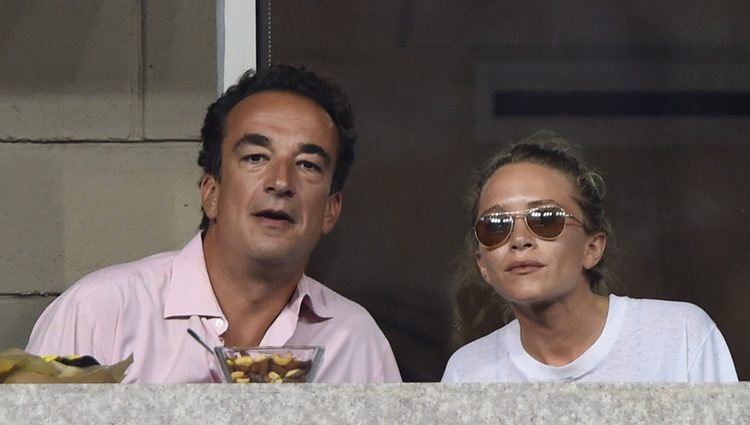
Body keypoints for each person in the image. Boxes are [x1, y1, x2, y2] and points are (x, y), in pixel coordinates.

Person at [26, 64, 402, 383]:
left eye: (307, 165)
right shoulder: (100, 313)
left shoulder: (356, 342)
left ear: (331, 210)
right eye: (256, 157)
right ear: (211, 192)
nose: (281, 182)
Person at [442, 130, 737, 382]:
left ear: (592, 248)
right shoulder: (466, 373)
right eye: (495, 226)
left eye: (546, 218)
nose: (519, 240)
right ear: (483, 264)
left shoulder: (681, 336)